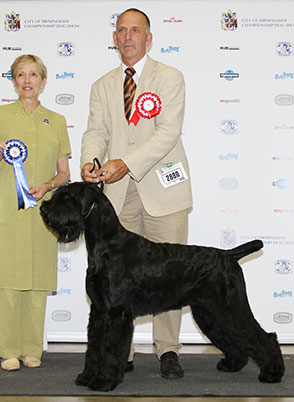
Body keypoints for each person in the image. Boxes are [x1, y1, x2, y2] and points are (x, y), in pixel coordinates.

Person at [80, 8, 192, 379]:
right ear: (114, 38)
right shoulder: (102, 85)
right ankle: (120, 353)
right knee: (117, 280)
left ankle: (168, 350)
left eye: (135, 31)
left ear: (148, 37)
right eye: (121, 31)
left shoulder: (170, 77)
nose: (127, 37)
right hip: (117, 194)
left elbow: (167, 134)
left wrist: (125, 161)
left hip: (164, 189)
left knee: (169, 274)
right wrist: (90, 162)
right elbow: (95, 132)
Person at [0, 54, 71, 371]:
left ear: (43, 80)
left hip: (44, 210)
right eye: (20, 75)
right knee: (9, 281)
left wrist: (47, 186)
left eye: (33, 75)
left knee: (38, 282)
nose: (26, 81)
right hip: (6, 209)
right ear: (13, 81)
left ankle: (32, 348)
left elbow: (64, 172)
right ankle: (8, 350)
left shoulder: (56, 120)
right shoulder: (1, 116)